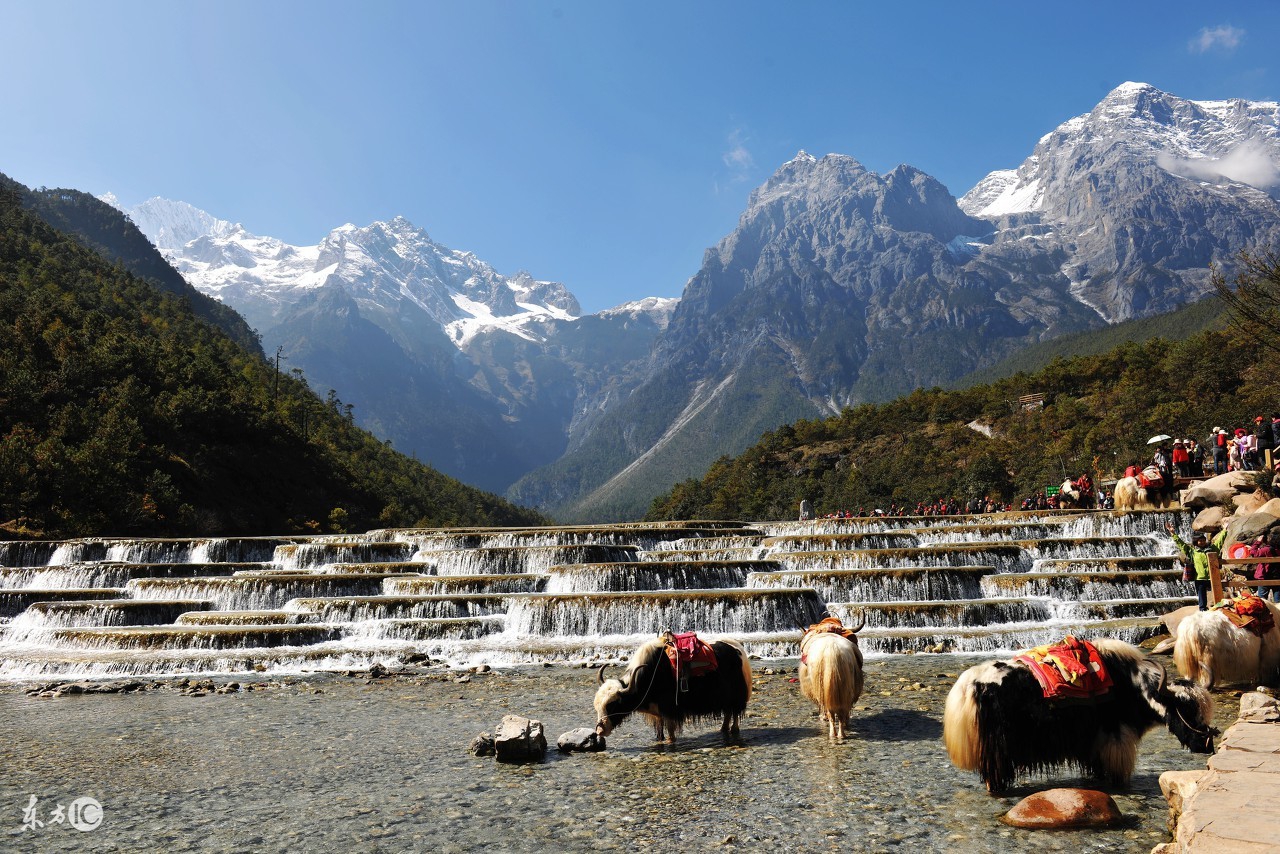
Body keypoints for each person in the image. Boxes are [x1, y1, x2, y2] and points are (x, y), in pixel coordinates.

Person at [1166, 521, 1224, 610]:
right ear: (1196, 542)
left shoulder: (1212, 549)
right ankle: (1202, 610)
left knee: (1218, 594)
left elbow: (1220, 542)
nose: (1203, 542)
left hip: (1212, 576)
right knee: (1201, 595)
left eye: (1204, 540)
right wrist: (1173, 533)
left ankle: (1220, 607)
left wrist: (1225, 530)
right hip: (1200, 578)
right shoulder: (1192, 552)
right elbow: (1181, 545)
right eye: (1200, 540)